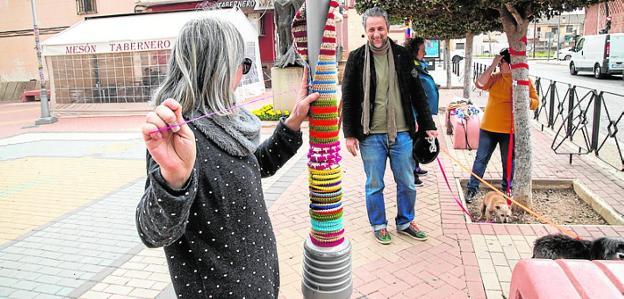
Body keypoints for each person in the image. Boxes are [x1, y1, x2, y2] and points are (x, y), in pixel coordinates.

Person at [135, 17, 319, 298]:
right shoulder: (178, 134)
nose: (243, 74)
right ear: (216, 68)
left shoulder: (224, 121)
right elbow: (153, 232)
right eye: (241, 64)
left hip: (257, 278)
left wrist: (291, 124)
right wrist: (173, 179)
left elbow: (255, 166)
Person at [341, 7, 438, 245]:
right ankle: (379, 224)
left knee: (406, 181)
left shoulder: (402, 56)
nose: (377, 34)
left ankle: (405, 222)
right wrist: (350, 134)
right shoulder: (356, 58)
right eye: (371, 29)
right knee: (374, 183)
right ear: (366, 31)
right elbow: (349, 96)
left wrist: (428, 124)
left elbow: (417, 93)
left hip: (402, 133)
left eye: (380, 28)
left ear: (387, 28)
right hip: (370, 135)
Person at [465, 48, 538, 203]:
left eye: (502, 62)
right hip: (488, 128)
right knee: (480, 159)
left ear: (510, 64)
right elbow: (479, 83)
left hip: (509, 130)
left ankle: (507, 189)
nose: (499, 65)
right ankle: (472, 189)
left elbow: (535, 102)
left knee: (508, 162)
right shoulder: (495, 77)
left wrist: (523, 100)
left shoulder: (524, 81)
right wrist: (493, 64)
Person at [407, 37, 441, 186]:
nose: (425, 52)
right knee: (414, 143)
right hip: (415, 113)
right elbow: (411, 93)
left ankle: (416, 166)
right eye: (422, 49)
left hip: (422, 113)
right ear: (415, 51)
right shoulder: (411, 66)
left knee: (419, 141)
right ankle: (412, 173)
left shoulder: (419, 64)